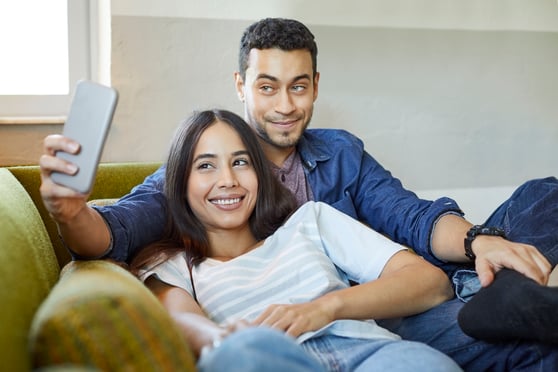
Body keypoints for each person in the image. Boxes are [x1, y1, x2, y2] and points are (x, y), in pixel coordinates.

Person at [39, 18, 558, 370]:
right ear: (241, 85)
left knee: (545, 194)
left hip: (396, 300)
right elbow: (116, 232)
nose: (285, 105)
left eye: (298, 86)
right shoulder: (186, 213)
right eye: (267, 86)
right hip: (380, 318)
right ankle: (527, 295)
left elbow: (411, 217)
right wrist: (70, 210)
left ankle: (523, 288)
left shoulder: (328, 177)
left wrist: (480, 241)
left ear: (315, 85)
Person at [131, 108, 461, 371]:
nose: (228, 180)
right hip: (268, 358)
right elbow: (181, 319)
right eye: (206, 166)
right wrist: (223, 340)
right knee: (241, 354)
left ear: (259, 172)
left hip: (367, 352)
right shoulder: (175, 265)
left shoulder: (310, 221)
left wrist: (323, 309)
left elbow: (431, 283)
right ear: (179, 183)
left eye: (240, 162)